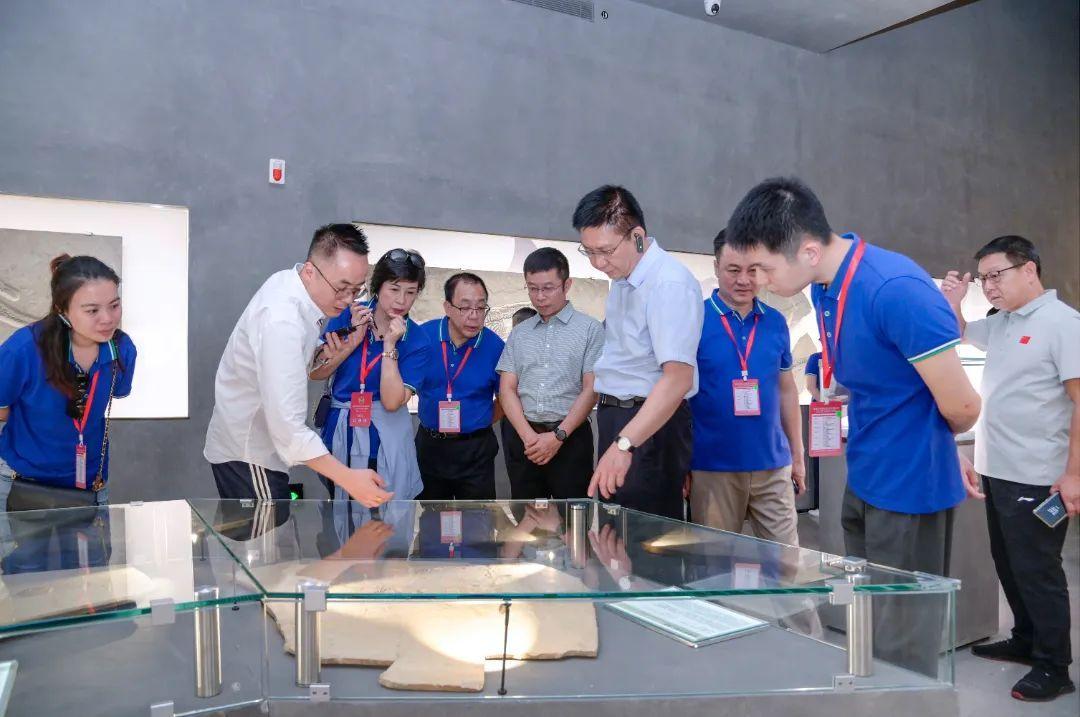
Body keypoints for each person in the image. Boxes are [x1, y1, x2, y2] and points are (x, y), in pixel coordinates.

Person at [725, 177, 981, 676]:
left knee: (902, 632)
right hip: (865, 475)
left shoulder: (895, 290)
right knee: (866, 611)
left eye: (764, 268)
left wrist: (935, 446)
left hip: (906, 486)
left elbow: (964, 406)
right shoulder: (827, 288)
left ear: (808, 250)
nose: (757, 281)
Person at [941, 235, 1079, 701]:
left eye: (996, 275)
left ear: (1029, 270)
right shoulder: (1002, 322)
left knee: (1038, 570)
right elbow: (960, 332)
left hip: (1038, 475)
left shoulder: (1063, 324)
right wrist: (954, 303)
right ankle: (1025, 638)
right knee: (1008, 563)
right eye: (983, 279)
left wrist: (1074, 474)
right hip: (998, 470)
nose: (989, 286)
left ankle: (1054, 666)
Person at [204, 224, 392, 508]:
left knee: (269, 528)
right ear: (310, 271)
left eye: (356, 290)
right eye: (341, 288)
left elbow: (285, 362)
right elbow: (289, 429)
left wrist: (318, 354)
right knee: (264, 532)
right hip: (249, 452)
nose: (347, 300)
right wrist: (349, 479)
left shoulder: (291, 283)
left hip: (257, 449)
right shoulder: (282, 319)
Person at [0, 255, 137, 572]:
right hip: (23, 483)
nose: (107, 319)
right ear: (63, 310)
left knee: (87, 580)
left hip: (89, 485)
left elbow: (113, 393)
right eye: (92, 310)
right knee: (24, 581)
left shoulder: (121, 349)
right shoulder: (24, 348)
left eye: (114, 305)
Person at [575, 185, 704, 519]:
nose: (598, 263)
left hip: (649, 427)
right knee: (614, 531)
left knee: (647, 536)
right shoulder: (624, 279)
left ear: (637, 237)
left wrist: (625, 444)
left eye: (605, 251)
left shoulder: (668, 283)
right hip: (621, 418)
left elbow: (678, 379)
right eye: (589, 251)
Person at [689, 229, 804, 545]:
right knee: (715, 566)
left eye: (753, 270)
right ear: (716, 267)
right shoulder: (694, 319)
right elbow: (676, 393)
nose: (743, 280)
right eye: (733, 270)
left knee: (787, 562)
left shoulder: (776, 322)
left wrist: (798, 454)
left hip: (773, 466)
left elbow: (786, 390)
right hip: (713, 468)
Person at [309, 248, 430, 517]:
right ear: (378, 287)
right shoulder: (348, 315)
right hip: (340, 433)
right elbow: (316, 373)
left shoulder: (417, 339)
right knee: (339, 513)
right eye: (394, 289)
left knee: (380, 519)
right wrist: (353, 339)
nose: (401, 300)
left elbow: (391, 401)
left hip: (384, 440)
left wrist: (389, 346)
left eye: (410, 292)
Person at [498, 247, 604, 499]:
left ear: (567, 285)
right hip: (525, 439)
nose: (540, 297)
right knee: (527, 515)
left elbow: (591, 389)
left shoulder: (590, 329)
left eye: (548, 288)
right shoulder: (520, 333)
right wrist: (528, 437)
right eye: (532, 288)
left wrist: (558, 436)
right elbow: (507, 389)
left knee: (573, 515)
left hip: (570, 438)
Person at [414, 273, 504, 499]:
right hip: (431, 446)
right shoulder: (423, 337)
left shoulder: (495, 346)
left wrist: (478, 421)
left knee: (478, 516)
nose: (474, 316)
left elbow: (506, 397)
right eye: (465, 307)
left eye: (481, 307)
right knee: (431, 515)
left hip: (475, 449)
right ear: (448, 307)